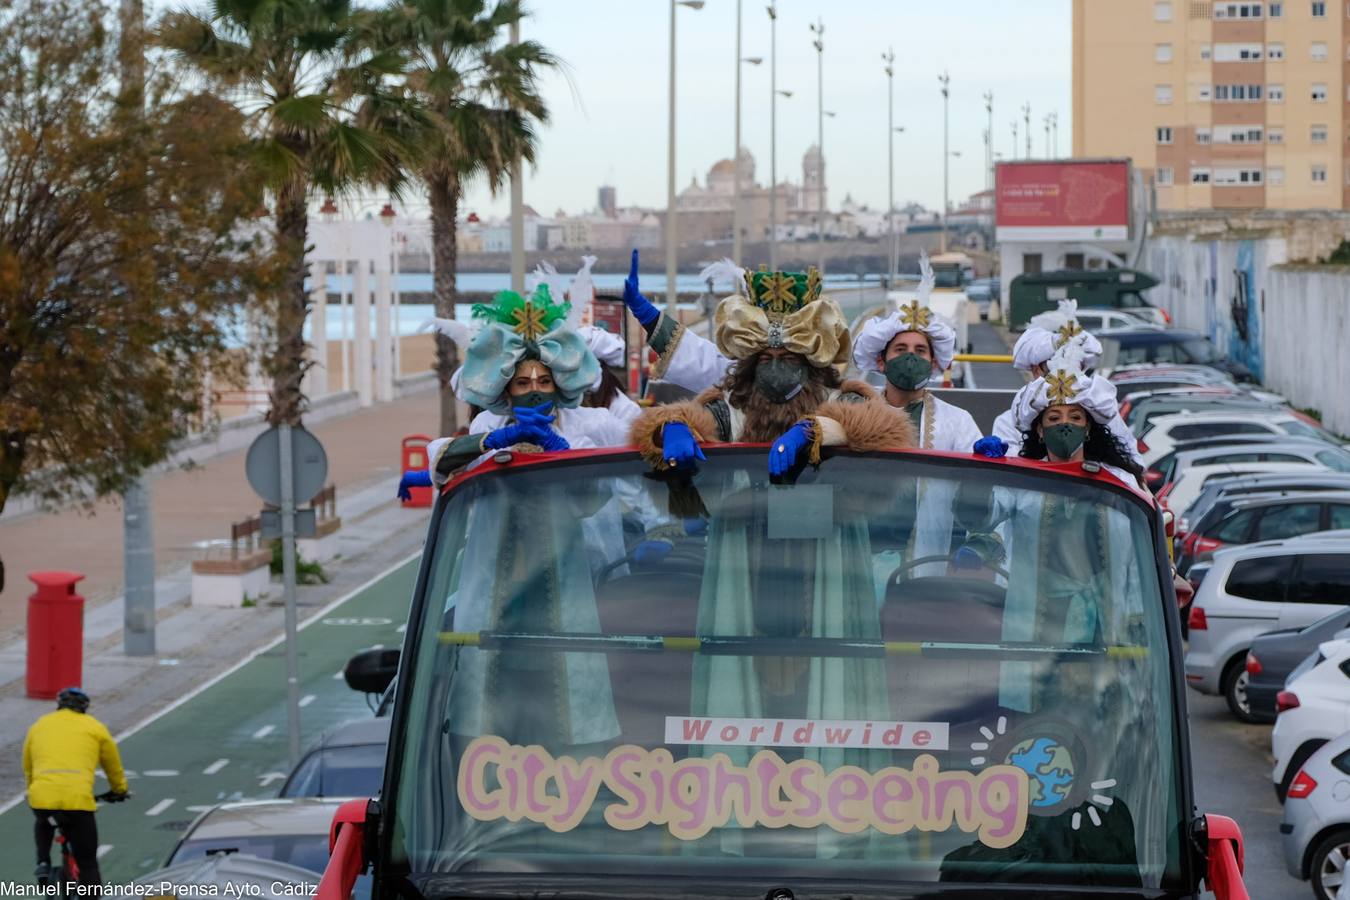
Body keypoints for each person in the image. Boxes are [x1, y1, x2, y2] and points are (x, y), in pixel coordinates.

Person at [626, 257, 915, 474]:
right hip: (747, 534)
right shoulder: (733, 410)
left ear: (811, 364)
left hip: (825, 538)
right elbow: (696, 417)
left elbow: (889, 432)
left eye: (789, 359)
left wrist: (815, 431)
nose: (775, 367)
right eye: (766, 359)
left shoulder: (841, 400)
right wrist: (671, 427)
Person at [424, 284, 624, 485]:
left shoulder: (594, 422)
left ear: (558, 386)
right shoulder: (488, 424)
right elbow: (443, 462)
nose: (535, 391)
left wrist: (563, 454)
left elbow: (643, 450)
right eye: (523, 383)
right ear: (507, 391)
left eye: (545, 382)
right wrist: (494, 439)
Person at [851, 252, 983, 452]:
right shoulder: (855, 414)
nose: (910, 356)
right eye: (900, 349)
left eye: (920, 350)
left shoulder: (958, 421)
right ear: (881, 362)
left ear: (933, 363)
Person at [990, 299, 1140, 465]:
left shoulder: (1104, 413)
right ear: (1035, 370)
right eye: (1054, 366)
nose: (1065, 376)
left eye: (1074, 367)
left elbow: (1133, 463)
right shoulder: (1009, 421)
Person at [24, 687, 128, 886]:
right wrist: (119, 789)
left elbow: (28, 765)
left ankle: (43, 861)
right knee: (88, 863)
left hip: (43, 798)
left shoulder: (39, 725)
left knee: (44, 820)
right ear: (85, 708)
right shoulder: (95, 727)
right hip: (78, 802)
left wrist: (33, 789)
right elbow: (112, 766)